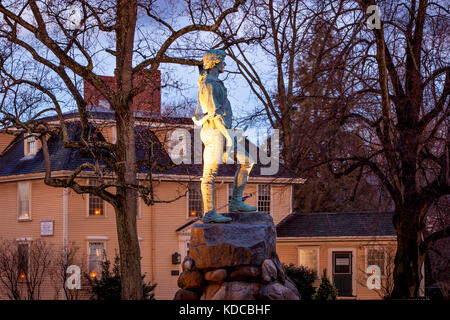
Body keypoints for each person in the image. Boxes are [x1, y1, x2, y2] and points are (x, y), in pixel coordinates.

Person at [193, 49, 257, 224]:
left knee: (247, 161)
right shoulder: (208, 85)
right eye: (222, 60)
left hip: (225, 130)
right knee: (210, 173)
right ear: (214, 62)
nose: (224, 64)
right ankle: (209, 212)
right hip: (215, 132)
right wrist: (228, 138)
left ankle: (236, 202)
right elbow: (214, 114)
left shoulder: (216, 83)